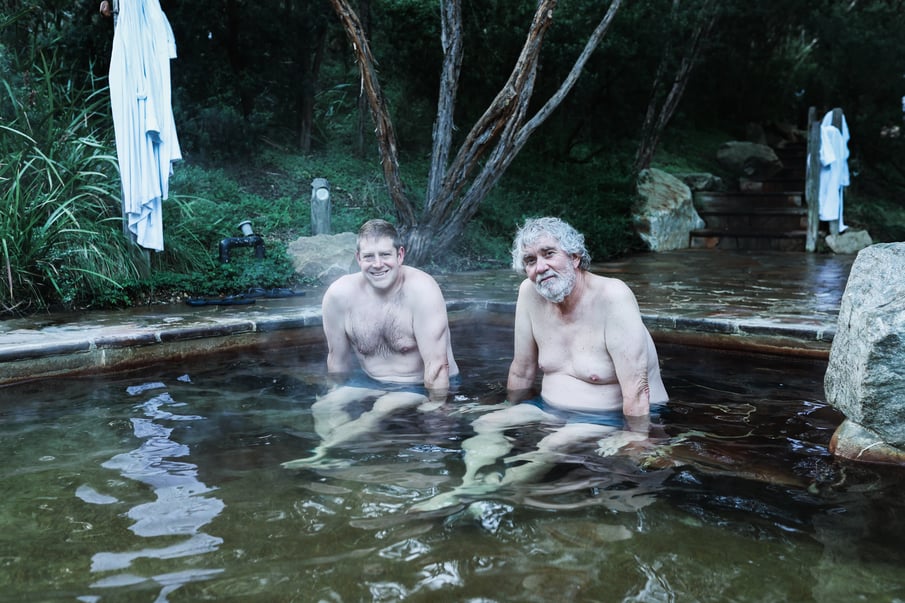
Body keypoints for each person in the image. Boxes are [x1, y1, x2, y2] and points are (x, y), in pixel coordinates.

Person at [413, 217, 667, 510]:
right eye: (530, 261)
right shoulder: (529, 293)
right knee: (486, 422)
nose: (540, 267)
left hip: (610, 416)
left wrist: (634, 438)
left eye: (548, 254)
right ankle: (472, 480)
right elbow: (522, 370)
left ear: (574, 257)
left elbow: (637, 391)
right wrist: (511, 408)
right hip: (548, 409)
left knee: (552, 445)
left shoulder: (614, 297)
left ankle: (467, 497)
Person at [282, 219, 459, 469]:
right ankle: (341, 459)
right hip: (370, 380)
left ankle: (323, 454)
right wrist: (335, 393)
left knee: (380, 409)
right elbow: (337, 359)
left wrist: (438, 417)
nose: (377, 264)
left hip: (419, 384)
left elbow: (437, 365)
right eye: (369, 256)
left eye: (385, 254)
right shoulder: (340, 295)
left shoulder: (422, 290)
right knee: (323, 406)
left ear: (400, 255)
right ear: (358, 258)